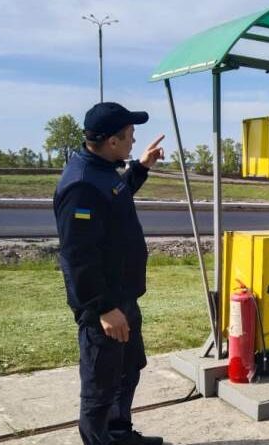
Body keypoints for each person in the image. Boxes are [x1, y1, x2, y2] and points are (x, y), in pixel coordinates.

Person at [53, 102, 165, 445]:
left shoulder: (102, 170)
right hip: (105, 308)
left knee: (127, 371)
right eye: (130, 136)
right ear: (112, 142)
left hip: (122, 297)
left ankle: (119, 434)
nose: (133, 142)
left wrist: (141, 168)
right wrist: (102, 308)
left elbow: (117, 196)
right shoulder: (82, 185)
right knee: (100, 389)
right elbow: (77, 255)